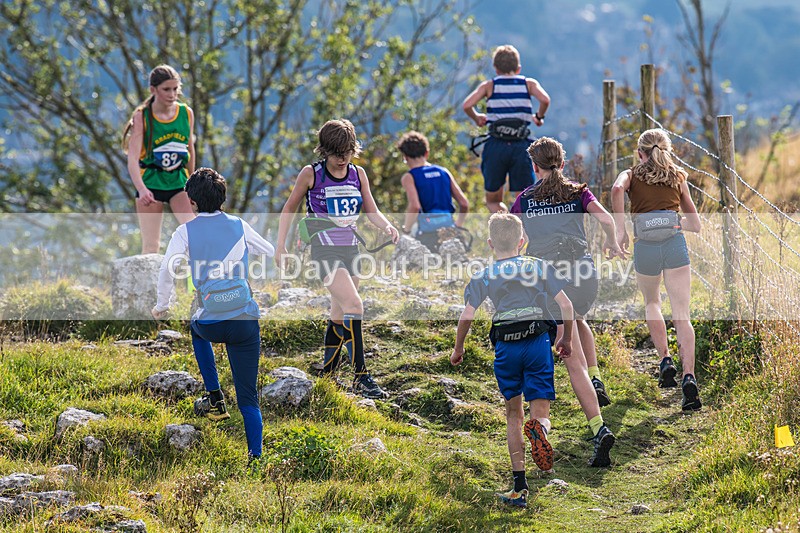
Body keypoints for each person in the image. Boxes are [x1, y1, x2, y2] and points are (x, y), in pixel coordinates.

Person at [451, 212, 574, 509]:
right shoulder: (538, 266)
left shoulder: (484, 275)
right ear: (522, 242)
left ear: (491, 244)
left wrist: (458, 348)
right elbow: (566, 305)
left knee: (512, 415)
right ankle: (540, 430)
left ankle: (519, 487)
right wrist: (565, 338)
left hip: (506, 347)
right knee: (539, 411)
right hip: (536, 343)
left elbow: (467, 314)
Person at [151, 167, 275, 461]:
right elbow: (268, 250)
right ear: (223, 199)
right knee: (249, 400)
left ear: (191, 202)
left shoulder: (185, 232)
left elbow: (166, 270)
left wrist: (162, 305)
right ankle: (255, 459)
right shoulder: (239, 225)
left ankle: (215, 395)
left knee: (196, 327)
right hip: (244, 322)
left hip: (211, 322)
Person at [511, 138, 621, 460]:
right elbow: (606, 219)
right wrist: (612, 244)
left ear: (534, 166)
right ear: (563, 162)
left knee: (570, 355)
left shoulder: (526, 199)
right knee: (578, 318)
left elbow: (512, 235)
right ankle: (597, 379)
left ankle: (598, 429)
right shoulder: (577, 192)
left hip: (550, 280)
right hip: (585, 276)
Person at [274, 119, 399, 399]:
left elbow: (372, 210)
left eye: (347, 151)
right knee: (355, 304)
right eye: (336, 152)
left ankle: (328, 371)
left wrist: (387, 226)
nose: (342, 158)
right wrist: (280, 246)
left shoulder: (358, 174)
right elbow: (288, 209)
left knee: (340, 311)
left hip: (351, 249)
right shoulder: (311, 174)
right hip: (324, 252)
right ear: (324, 150)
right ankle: (361, 376)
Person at [611, 128, 702, 411]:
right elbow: (695, 224)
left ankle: (665, 360)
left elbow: (615, 189)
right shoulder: (678, 177)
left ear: (640, 153)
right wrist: (674, 224)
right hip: (674, 246)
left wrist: (621, 230)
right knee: (682, 314)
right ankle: (689, 377)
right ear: (667, 150)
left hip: (646, 248)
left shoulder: (631, 175)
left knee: (652, 302)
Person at [462, 44, 550, 213]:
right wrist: (538, 117)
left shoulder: (489, 86)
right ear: (518, 68)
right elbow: (545, 100)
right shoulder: (528, 84)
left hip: (496, 145)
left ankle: (504, 225)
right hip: (522, 146)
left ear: (495, 68)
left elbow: (467, 105)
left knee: (493, 199)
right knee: (524, 197)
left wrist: (477, 117)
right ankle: (521, 232)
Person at [123, 64, 196, 254]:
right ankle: (151, 284)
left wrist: (192, 183)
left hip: (178, 182)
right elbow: (132, 160)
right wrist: (141, 189)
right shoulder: (143, 117)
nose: (172, 94)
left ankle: (196, 283)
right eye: (166, 89)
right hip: (151, 184)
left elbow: (190, 149)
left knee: (195, 234)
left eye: (175, 89)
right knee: (151, 245)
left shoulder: (186, 113)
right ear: (153, 90)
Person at [396, 131, 470, 252]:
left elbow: (414, 206)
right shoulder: (444, 172)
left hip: (427, 233)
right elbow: (464, 203)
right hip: (449, 231)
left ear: (405, 157)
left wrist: (406, 231)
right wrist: (458, 226)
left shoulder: (409, 177)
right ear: (427, 153)